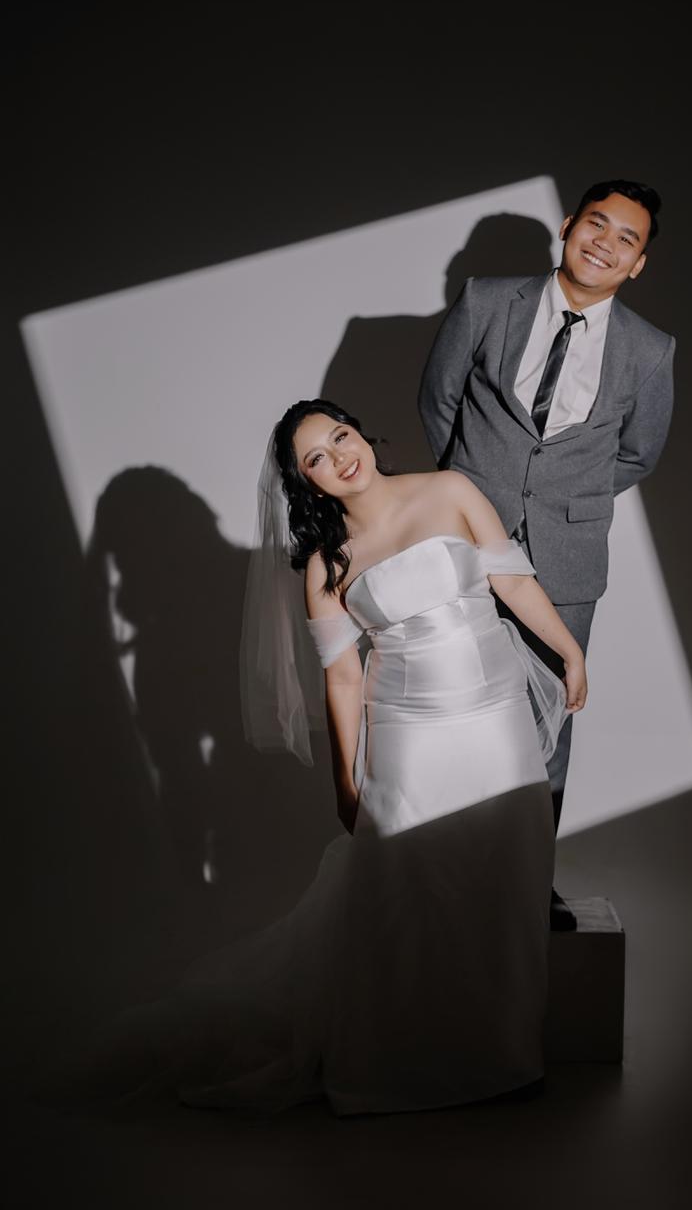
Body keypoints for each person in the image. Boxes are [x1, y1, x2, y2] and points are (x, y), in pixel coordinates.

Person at [60, 398, 587, 1119]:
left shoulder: (451, 489)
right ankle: (404, 1060)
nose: (340, 457)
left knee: (507, 876)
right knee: (418, 895)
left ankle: (507, 1056)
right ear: (306, 482)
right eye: (316, 458)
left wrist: (567, 650)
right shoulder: (322, 565)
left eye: (340, 436)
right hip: (409, 735)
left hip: (496, 717)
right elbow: (342, 679)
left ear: (361, 434)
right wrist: (346, 780)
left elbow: (513, 582)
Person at [418, 178, 675, 930]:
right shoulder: (487, 301)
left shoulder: (650, 351)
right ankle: (440, 881)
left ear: (638, 264)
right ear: (567, 226)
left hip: (567, 559)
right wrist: (473, 502)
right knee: (447, 710)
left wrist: (563, 505)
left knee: (548, 724)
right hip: (465, 545)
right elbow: (439, 401)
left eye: (626, 239)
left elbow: (638, 454)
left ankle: (525, 886)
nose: (605, 244)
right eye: (597, 224)